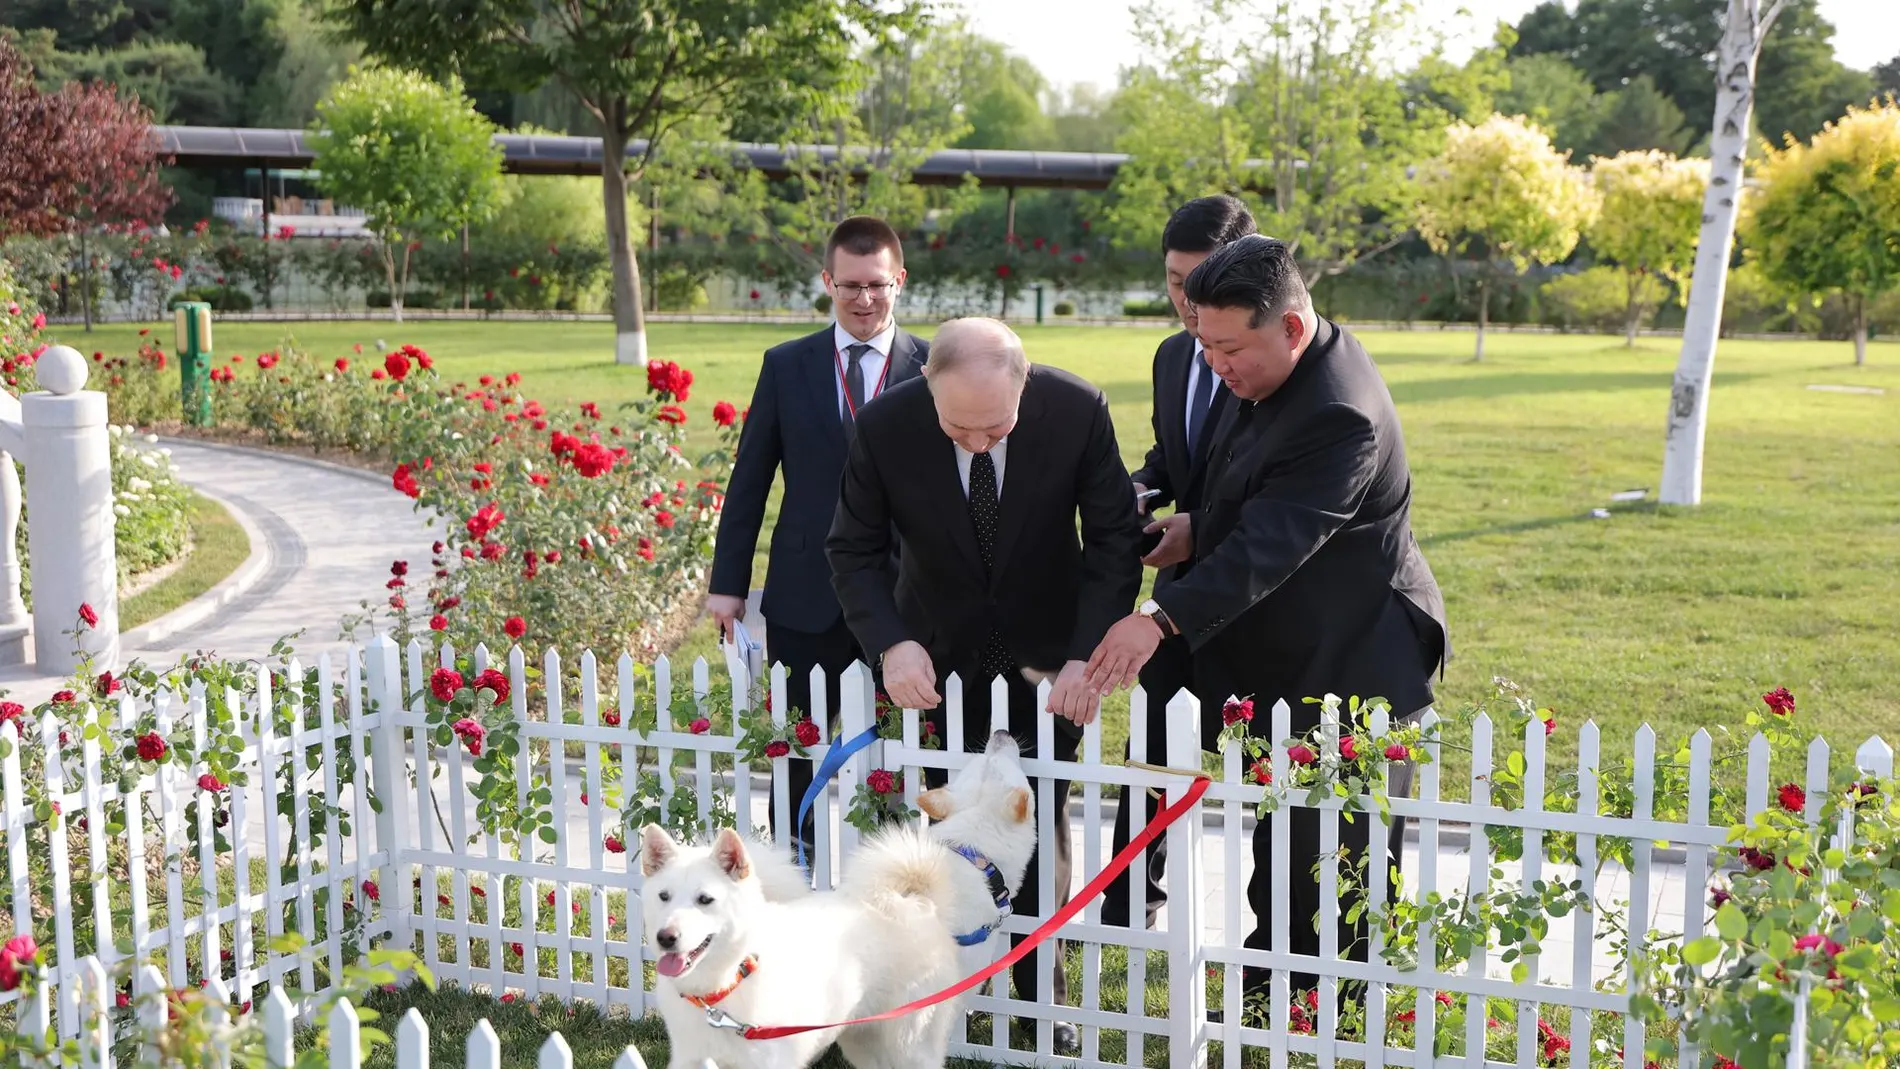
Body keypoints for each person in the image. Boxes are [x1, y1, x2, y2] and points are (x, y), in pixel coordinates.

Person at [1081, 235, 1449, 1002]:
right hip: (1289, 654)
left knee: (1331, 863)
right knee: (1282, 844)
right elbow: (1244, 492)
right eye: (1202, 344)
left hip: (1356, 661)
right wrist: (1192, 530)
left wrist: (1158, 619)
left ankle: (1327, 1016)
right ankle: (1269, 992)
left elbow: (1274, 544)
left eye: (1227, 347)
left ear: (1289, 325)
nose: (1214, 364)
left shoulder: (1339, 412)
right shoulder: (1266, 372)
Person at [826, 317, 1142, 1050]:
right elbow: (853, 547)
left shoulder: (1077, 410)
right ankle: (942, 993)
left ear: (1024, 386)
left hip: (1049, 661)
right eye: (958, 427)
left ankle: (1043, 1003)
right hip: (936, 660)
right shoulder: (885, 425)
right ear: (927, 388)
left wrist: (1084, 654)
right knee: (950, 832)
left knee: (1040, 818)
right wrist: (892, 645)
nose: (977, 441)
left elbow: (1113, 542)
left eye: (995, 426)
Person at [706, 216, 928, 858]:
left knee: (895, 746)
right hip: (805, 594)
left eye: (878, 285)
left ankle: (888, 871)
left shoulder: (933, 363)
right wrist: (727, 587)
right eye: (850, 285)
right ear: (828, 281)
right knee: (793, 746)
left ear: (900, 281)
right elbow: (749, 479)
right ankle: (794, 866)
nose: (864, 299)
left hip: (900, 595)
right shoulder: (787, 366)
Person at [1102, 194, 1258, 932]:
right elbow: (1176, 457)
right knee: (1149, 755)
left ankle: (1276, 927)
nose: (1190, 303)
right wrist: (1139, 488)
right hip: (1176, 591)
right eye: (1174, 281)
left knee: (1267, 770)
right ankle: (1132, 902)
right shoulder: (1170, 356)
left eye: (1205, 281)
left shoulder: (1267, 361)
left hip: (1260, 592)